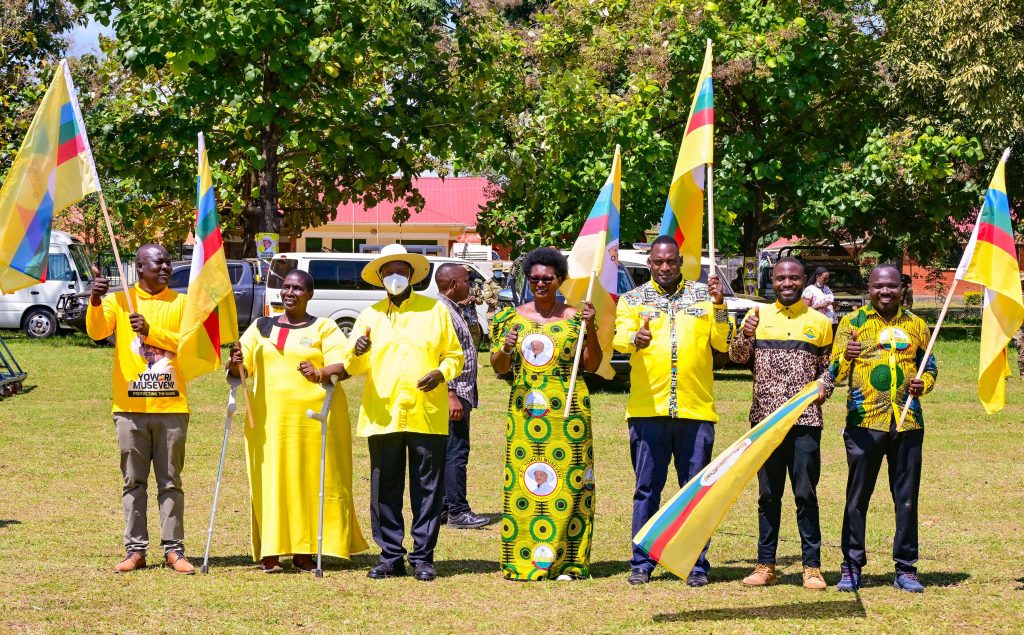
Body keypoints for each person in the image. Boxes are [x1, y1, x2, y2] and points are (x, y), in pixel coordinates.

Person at [226, 269, 368, 573]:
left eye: (298, 289)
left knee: (311, 481)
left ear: (310, 295)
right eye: (286, 287)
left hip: (315, 421)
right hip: (269, 421)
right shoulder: (261, 326)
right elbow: (243, 365)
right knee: (272, 481)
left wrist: (319, 373)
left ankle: (307, 550)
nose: (290, 293)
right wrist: (235, 362)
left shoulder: (324, 328)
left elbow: (343, 365)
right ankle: (272, 550)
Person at [613, 235, 730, 587]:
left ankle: (694, 562)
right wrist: (636, 339)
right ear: (649, 264)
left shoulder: (703, 296)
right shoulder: (632, 299)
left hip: (695, 410)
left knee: (693, 490)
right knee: (647, 487)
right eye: (658, 262)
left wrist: (721, 306)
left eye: (671, 261)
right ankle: (642, 561)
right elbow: (619, 339)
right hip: (649, 410)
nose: (665, 267)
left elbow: (722, 341)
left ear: (680, 262)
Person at [344, 244, 465, 582]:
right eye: (387, 271)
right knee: (385, 488)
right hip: (383, 413)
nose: (393, 276)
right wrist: (356, 350)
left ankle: (423, 557)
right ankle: (390, 556)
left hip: (426, 412)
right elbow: (354, 366)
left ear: (412, 275)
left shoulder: (434, 311)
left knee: (427, 487)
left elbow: (454, 355)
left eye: (400, 270)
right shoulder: (369, 315)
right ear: (380, 277)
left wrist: (441, 373)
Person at [490, 247, 601, 581]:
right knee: (527, 487)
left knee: (571, 484)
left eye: (547, 278)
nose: (540, 283)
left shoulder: (574, 319)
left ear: (559, 280)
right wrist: (505, 348)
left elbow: (592, 365)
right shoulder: (511, 319)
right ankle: (525, 560)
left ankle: (568, 563)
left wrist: (591, 327)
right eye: (535, 278)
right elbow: (499, 368)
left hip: (569, 413)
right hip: (526, 416)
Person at [86, 244, 195, 574]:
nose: (165, 267)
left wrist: (151, 331)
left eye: (168, 262)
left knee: (170, 482)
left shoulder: (183, 303)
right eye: (158, 262)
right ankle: (135, 550)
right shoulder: (118, 301)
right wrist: (94, 300)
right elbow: (96, 332)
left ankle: (174, 550)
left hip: (171, 406)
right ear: (139, 266)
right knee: (134, 482)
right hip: (129, 409)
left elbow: (191, 345)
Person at [829, 264, 937, 593]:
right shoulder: (852, 323)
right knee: (857, 498)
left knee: (905, 498)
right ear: (869, 287)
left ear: (902, 288)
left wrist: (925, 384)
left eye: (891, 286)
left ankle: (906, 568)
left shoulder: (916, 325)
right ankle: (851, 566)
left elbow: (929, 365)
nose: (885, 292)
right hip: (864, 422)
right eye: (879, 287)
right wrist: (844, 357)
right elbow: (832, 373)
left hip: (907, 422)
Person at [729, 257, 834, 591]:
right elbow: (737, 358)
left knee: (805, 493)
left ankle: (812, 567)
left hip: (805, 421)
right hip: (765, 422)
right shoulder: (756, 316)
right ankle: (765, 565)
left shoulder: (820, 322)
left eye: (793, 278)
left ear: (804, 280)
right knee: (768, 495)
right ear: (771, 281)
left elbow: (829, 370)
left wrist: (823, 389)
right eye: (780, 278)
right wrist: (744, 335)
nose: (787, 283)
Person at [434, 263, 489, 529]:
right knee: (456, 451)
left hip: (460, 392)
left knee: (448, 451)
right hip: (455, 393)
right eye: (466, 281)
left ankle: (444, 506)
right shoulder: (442, 312)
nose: (470, 285)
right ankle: (458, 510)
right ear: (454, 284)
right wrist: (451, 393)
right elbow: (441, 354)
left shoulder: (452, 308)